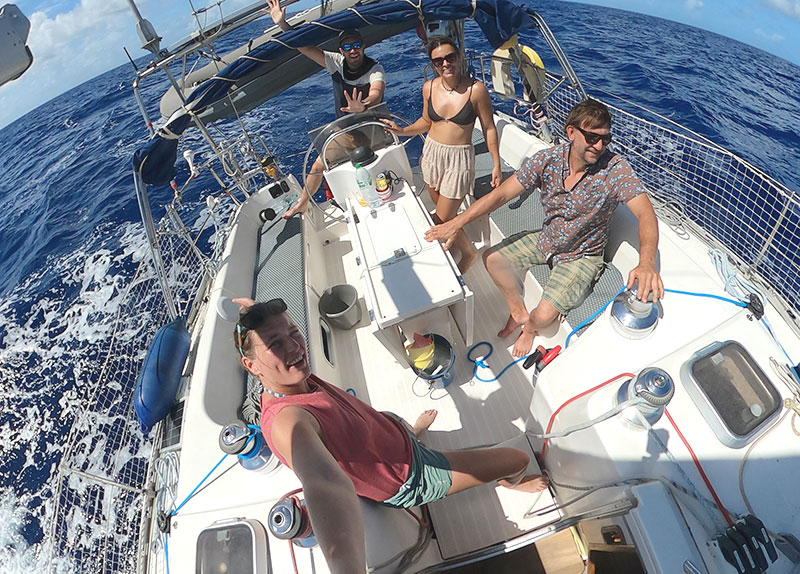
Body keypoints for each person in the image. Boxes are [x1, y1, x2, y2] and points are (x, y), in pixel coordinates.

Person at [232, 297, 548, 574]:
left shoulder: (289, 377)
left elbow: (273, 342)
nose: (294, 347)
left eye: (293, 332)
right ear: (251, 366)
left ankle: (413, 430)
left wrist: (252, 311)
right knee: (517, 459)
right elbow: (324, 484)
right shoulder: (287, 421)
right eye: (275, 344)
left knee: (399, 426)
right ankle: (511, 481)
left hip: (391, 433)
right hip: (411, 474)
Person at [425, 99, 664, 357]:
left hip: (581, 256)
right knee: (492, 259)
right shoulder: (548, 159)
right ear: (571, 132)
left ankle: (528, 327)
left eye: (605, 139)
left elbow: (646, 214)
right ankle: (517, 312)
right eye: (592, 137)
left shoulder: (614, 169)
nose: (599, 146)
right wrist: (455, 223)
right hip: (548, 239)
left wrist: (646, 263)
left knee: (544, 315)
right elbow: (502, 194)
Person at [381, 36, 501, 273]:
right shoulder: (429, 87)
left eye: (450, 57)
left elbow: (489, 127)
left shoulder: (476, 91)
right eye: (438, 61)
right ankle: (468, 251)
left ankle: (438, 268)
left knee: (438, 221)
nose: (445, 64)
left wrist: (496, 164)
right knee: (446, 219)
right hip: (432, 155)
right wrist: (402, 130)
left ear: (459, 57)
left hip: (458, 161)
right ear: (432, 64)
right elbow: (426, 121)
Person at [266, 0, 386, 218]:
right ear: (341, 50)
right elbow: (303, 46)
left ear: (363, 46)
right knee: (317, 165)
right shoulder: (335, 62)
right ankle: (302, 203)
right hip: (347, 132)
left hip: (373, 128)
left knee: (382, 167)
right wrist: (282, 25)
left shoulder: (375, 68)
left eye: (356, 45)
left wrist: (364, 105)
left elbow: (376, 92)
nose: (353, 51)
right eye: (347, 47)